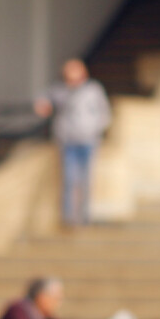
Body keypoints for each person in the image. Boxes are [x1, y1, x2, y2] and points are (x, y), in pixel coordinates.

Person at [34, 59, 111, 227]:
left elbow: (104, 112)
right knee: (69, 179)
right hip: (68, 141)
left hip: (88, 140)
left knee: (86, 180)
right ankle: (68, 217)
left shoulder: (93, 90)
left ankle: (84, 216)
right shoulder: (60, 90)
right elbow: (44, 99)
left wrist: (95, 129)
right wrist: (42, 105)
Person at [0, 277, 64, 319]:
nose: (58, 304)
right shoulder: (17, 311)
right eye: (56, 299)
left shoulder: (44, 316)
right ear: (42, 297)